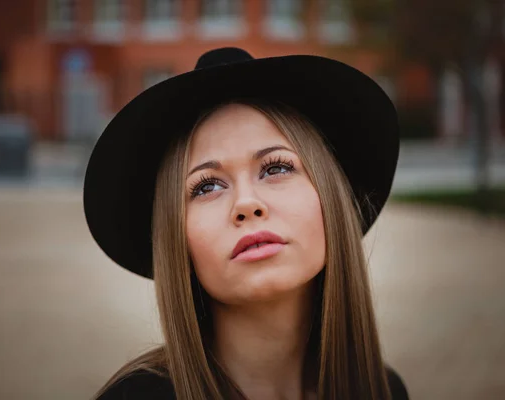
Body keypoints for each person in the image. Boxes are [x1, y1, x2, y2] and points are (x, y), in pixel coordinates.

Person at [83, 47, 409, 400]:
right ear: (176, 237)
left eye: (276, 168)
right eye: (206, 186)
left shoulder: (382, 390)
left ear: (331, 197)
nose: (246, 204)